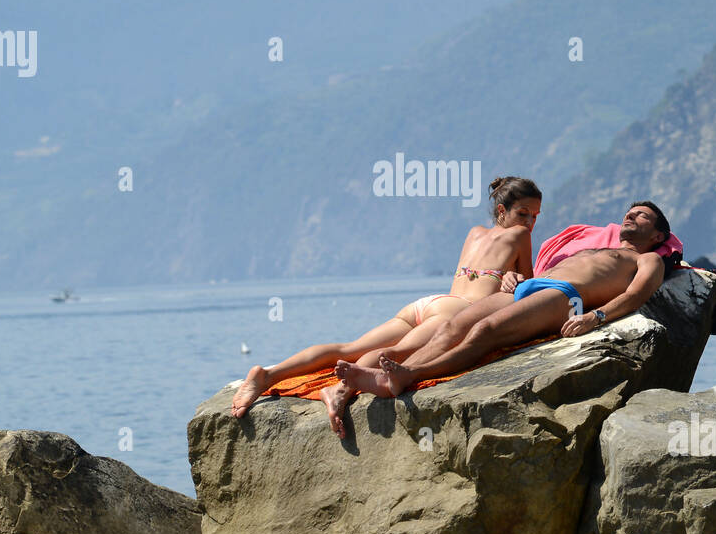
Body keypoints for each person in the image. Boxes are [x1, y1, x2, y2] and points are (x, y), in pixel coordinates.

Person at [231, 177, 542, 432]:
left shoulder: (475, 233)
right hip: (456, 311)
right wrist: (514, 277)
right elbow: (527, 291)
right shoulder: (519, 236)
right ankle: (340, 390)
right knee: (392, 356)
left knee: (348, 348)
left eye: (535, 217)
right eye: (523, 213)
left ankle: (268, 374)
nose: (529, 223)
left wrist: (507, 275)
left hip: (428, 303)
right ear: (502, 211)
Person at [335, 201, 671, 399]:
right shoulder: (600, 248)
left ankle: (411, 373)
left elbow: (634, 295)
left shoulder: (647, 260)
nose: (630, 216)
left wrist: (594, 317)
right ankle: (394, 375)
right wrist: (517, 278)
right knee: (452, 326)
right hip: (534, 286)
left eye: (641, 215)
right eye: (630, 212)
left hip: (565, 298)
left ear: (657, 236)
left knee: (485, 330)